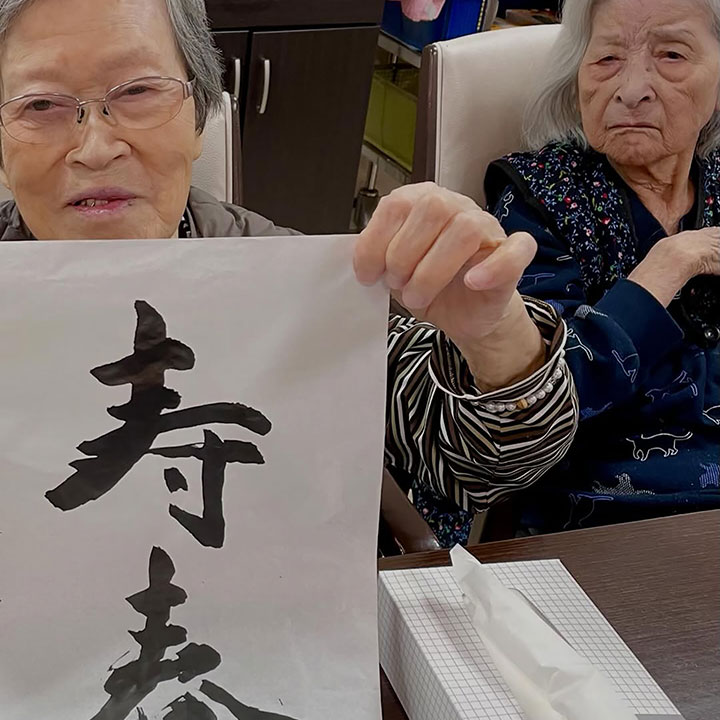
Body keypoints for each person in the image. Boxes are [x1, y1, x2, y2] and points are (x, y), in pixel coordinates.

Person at [0, 0, 577, 548]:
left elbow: (492, 461)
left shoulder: (286, 281)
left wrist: (492, 336)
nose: (95, 148)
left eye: (137, 91)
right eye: (40, 105)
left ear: (199, 119)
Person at [477, 0, 720, 532]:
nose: (632, 89)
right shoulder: (539, 199)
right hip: (603, 523)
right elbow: (539, 401)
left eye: (672, 55)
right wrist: (669, 264)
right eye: (607, 58)